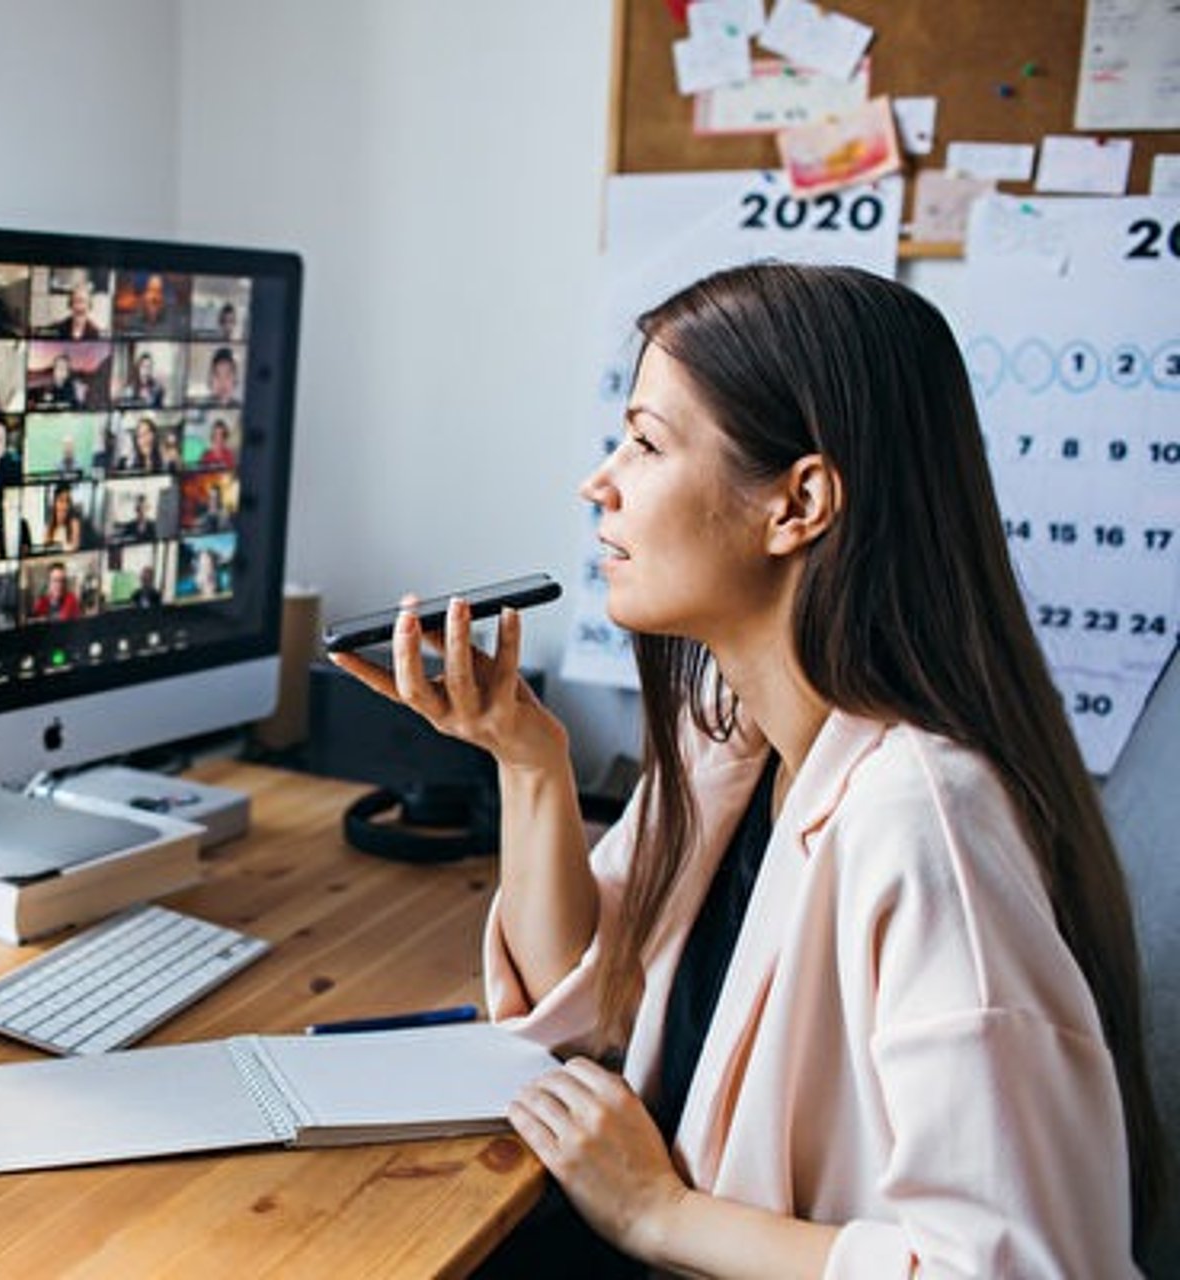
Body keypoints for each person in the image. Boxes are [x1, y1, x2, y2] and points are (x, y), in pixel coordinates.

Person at [329, 263, 1153, 1276]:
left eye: (645, 440)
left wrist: (656, 1211)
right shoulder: (733, 738)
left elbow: (1022, 1268)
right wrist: (529, 760)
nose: (602, 480)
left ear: (798, 502)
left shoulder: (921, 820)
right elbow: (582, 1013)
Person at [42, 485, 85, 553]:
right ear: (55, 503)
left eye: (67, 501)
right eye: (61, 501)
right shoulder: (49, 525)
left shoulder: (74, 523)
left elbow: (74, 548)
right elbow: (45, 548)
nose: (65, 506)